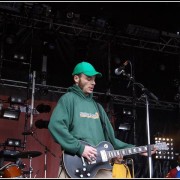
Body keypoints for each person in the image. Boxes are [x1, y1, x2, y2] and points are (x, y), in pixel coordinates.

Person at [48, 61, 156, 178]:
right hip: (75, 164)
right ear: (76, 78)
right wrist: (80, 148)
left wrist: (137, 149)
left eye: (94, 79)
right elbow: (56, 126)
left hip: (100, 167)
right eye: (88, 79)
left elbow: (112, 140)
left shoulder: (98, 107)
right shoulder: (68, 99)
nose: (93, 83)